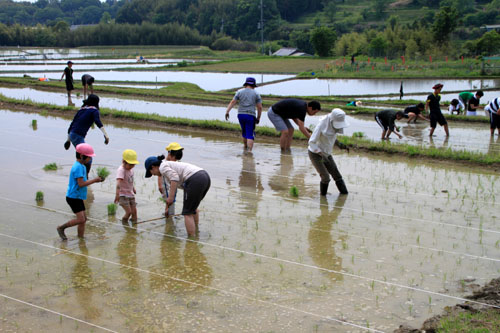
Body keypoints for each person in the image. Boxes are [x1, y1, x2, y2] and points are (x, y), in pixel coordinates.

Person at [145, 155, 210, 237]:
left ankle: (191, 240)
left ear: (153, 167)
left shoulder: (162, 167)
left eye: (151, 172)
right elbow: (175, 184)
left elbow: (174, 178)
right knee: (193, 208)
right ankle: (196, 231)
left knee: (187, 213)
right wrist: (169, 206)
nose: (153, 175)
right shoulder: (167, 165)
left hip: (194, 179)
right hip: (204, 176)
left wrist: (171, 198)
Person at [56, 143, 103, 240]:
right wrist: (95, 180)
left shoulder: (82, 166)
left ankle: (81, 238)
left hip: (78, 196)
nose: (90, 160)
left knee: (83, 220)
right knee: (81, 219)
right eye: (89, 158)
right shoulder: (77, 167)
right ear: (81, 156)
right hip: (73, 197)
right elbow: (81, 183)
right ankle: (61, 228)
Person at [64, 94, 110, 175]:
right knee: (88, 158)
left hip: (73, 135)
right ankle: (85, 178)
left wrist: (68, 140)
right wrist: (106, 135)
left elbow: (72, 124)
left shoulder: (82, 109)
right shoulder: (94, 111)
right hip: (78, 136)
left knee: (81, 156)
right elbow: (98, 122)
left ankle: (79, 175)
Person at [308, 109, 350, 196]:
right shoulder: (321, 125)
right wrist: (320, 153)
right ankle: (323, 199)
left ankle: (344, 194)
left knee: (337, 175)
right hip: (316, 154)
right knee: (325, 177)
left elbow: (331, 137)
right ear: (332, 120)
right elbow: (311, 142)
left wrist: (340, 144)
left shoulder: (333, 125)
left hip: (326, 153)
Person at [225, 77, 263, 151]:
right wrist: (258, 118)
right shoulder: (256, 93)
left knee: (244, 132)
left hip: (240, 115)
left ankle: (245, 148)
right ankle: (249, 153)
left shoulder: (239, 92)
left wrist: (227, 111)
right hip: (250, 115)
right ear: (254, 85)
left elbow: (233, 102)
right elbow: (260, 107)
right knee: (250, 134)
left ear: (246, 84)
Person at [157, 142, 184, 216]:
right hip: (165, 185)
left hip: (172, 185)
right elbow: (159, 174)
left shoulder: (176, 163)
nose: (174, 161)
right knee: (168, 199)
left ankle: (169, 213)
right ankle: (169, 213)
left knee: (171, 199)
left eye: (176, 159)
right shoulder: (164, 163)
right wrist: (159, 185)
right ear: (169, 154)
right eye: (174, 158)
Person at [115, 149, 139, 224]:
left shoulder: (131, 170)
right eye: (130, 164)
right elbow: (118, 183)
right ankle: (125, 225)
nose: (132, 166)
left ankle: (134, 229)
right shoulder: (121, 170)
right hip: (123, 195)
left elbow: (130, 180)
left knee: (134, 212)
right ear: (124, 162)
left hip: (130, 193)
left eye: (133, 164)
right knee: (128, 212)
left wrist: (133, 188)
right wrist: (117, 195)